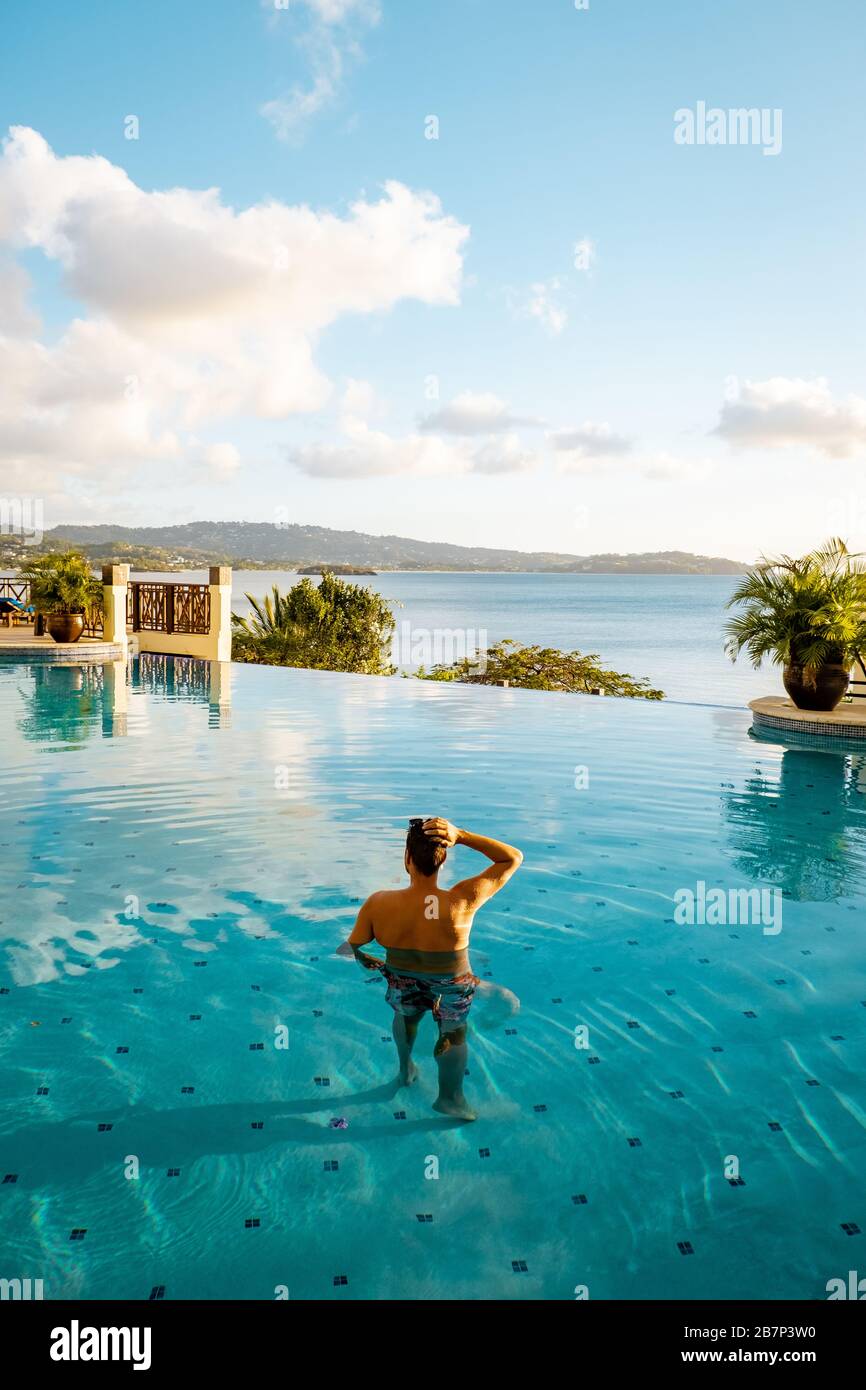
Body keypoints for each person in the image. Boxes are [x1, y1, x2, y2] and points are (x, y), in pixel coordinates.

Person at [343, 817, 523, 1121]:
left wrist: (368, 958)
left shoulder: (378, 904)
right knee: (454, 1030)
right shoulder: (462, 901)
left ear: (407, 859)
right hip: (451, 984)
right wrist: (461, 835)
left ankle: (405, 1070)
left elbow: (355, 947)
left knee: (405, 1017)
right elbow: (512, 857)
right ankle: (450, 1099)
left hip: (402, 979)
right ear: (443, 860)